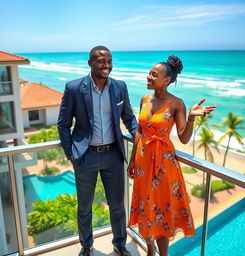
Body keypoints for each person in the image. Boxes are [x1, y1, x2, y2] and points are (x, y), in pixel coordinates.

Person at [127, 55, 216, 256]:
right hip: (143, 163)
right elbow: (140, 131)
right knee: (145, 206)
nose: (148, 77)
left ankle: (163, 254)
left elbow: (183, 138)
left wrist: (192, 118)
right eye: (149, 73)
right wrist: (132, 160)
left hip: (163, 166)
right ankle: (150, 250)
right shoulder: (144, 99)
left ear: (166, 80)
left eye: (153, 75)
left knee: (161, 209)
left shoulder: (177, 104)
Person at [57, 46, 138, 256]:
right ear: (90, 63)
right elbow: (63, 124)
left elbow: (128, 117)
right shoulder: (74, 88)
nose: (107, 66)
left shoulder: (120, 87)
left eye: (109, 61)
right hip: (86, 156)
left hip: (113, 155)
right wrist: (71, 154)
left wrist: (140, 136)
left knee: (117, 205)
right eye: (102, 61)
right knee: (84, 207)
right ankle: (86, 246)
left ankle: (119, 243)